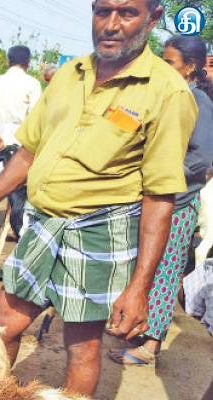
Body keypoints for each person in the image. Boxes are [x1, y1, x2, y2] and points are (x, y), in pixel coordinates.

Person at [0, 0, 195, 396]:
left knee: (82, 348)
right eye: (102, 11)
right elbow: (28, 153)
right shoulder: (69, 73)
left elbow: (159, 196)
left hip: (99, 232)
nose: (111, 24)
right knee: (0, 326)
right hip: (44, 224)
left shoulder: (168, 92)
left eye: (127, 13)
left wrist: (139, 287)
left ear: (153, 18)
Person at [108, 34, 213, 367]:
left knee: (165, 271)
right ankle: (137, 327)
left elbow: (200, 158)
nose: (163, 68)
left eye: (170, 63)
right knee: (146, 269)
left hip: (176, 202)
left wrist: (158, 178)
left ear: (191, 67)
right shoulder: (169, 95)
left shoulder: (198, 101)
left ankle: (150, 346)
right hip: (155, 198)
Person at [0, 45, 42, 238]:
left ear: (7, 62)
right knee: (16, 183)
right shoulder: (32, 84)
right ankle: (11, 225)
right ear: (28, 64)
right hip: (20, 135)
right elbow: (35, 117)